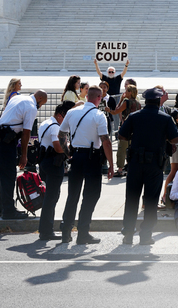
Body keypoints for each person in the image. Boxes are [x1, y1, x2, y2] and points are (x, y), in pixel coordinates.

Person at [118, 87, 178, 246]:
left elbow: (122, 135)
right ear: (159, 100)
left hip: (135, 163)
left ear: (145, 100)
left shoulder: (134, 116)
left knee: (132, 199)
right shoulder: (165, 118)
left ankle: (128, 234)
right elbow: (175, 139)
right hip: (154, 164)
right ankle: (146, 236)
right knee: (151, 201)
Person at [58, 86, 114, 245]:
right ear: (99, 98)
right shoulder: (99, 115)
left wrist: (68, 153)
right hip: (92, 158)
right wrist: (111, 164)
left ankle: (66, 231)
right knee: (90, 196)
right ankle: (83, 232)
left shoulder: (72, 112)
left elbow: (61, 134)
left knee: (73, 195)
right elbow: (105, 141)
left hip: (76, 156)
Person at [0, 90, 48, 219]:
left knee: (1, 174)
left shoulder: (17, 98)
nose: (40, 107)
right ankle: (8, 211)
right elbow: (26, 133)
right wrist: (24, 155)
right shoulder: (31, 107)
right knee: (9, 175)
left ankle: (4, 208)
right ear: (39, 98)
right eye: (42, 104)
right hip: (7, 139)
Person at [37, 103, 69, 241]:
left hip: (45, 162)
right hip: (54, 163)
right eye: (67, 117)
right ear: (60, 114)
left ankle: (45, 229)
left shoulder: (46, 122)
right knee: (51, 198)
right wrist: (69, 149)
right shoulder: (56, 127)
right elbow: (58, 148)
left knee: (49, 197)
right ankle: (46, 231)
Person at [107, 84, 141, 176]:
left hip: (126, 128)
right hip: (135, 130)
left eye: (126, 91)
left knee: (122, 149)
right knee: (132, 149)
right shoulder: (138, 103)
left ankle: (120, 169)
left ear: (130, 92)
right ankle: (131, 168)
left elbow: (116, 111)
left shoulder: (126, 101)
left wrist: (121, 100)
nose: (124, 92)